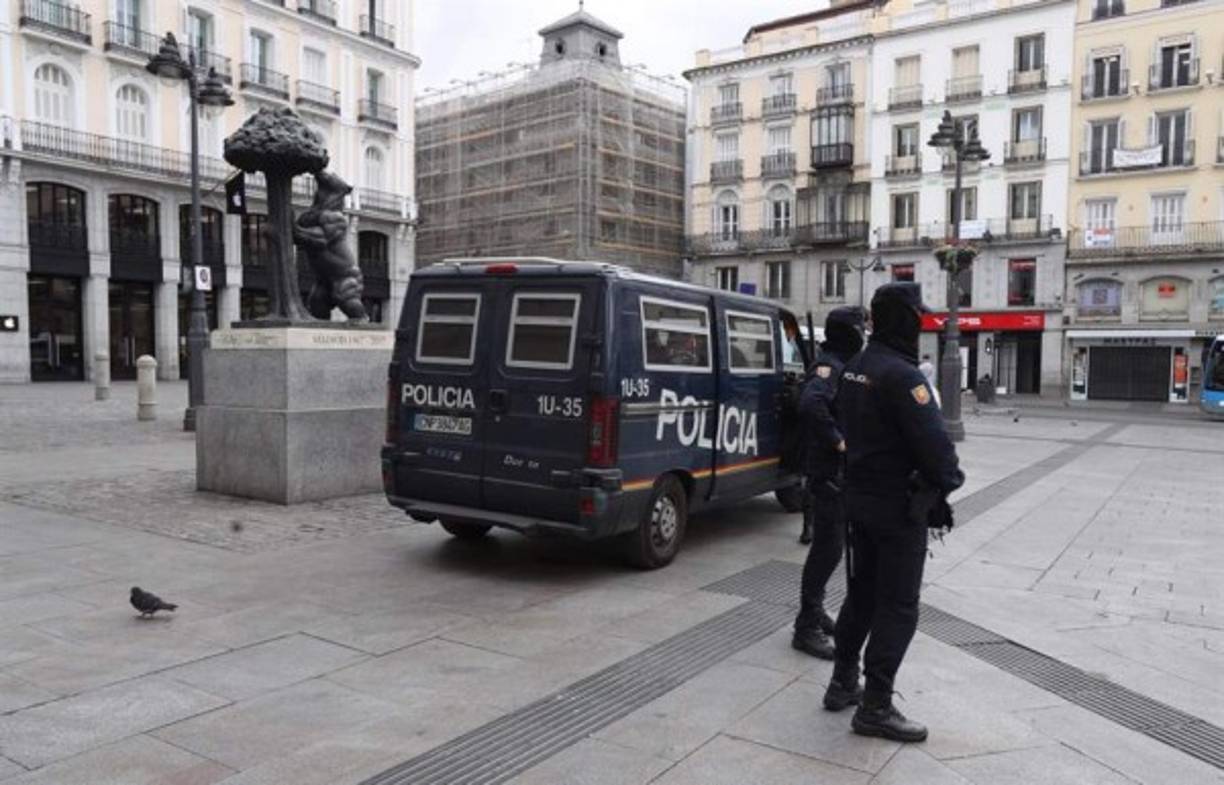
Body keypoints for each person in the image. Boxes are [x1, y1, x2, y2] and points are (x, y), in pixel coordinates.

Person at [823, 282, 964, 743]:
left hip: (859, 503)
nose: (922, 322)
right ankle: (876, 706)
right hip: (898, 510)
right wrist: (947, 481)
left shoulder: (856, 367)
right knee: (898, 605)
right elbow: (938, 451)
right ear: (903, 318)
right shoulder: (905, 377)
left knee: (861, 594)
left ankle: (844, 680)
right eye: (916, 315)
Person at [792, 307, 865, 659]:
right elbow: (811, 404)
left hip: (836, 473)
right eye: (859, 329)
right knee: (827, 549)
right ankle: (806, 626)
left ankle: (815, 611)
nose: (863, 335)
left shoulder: (841, 364)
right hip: (827, 473)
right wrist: (839, 441)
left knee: (831, 548)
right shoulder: (829, 366)